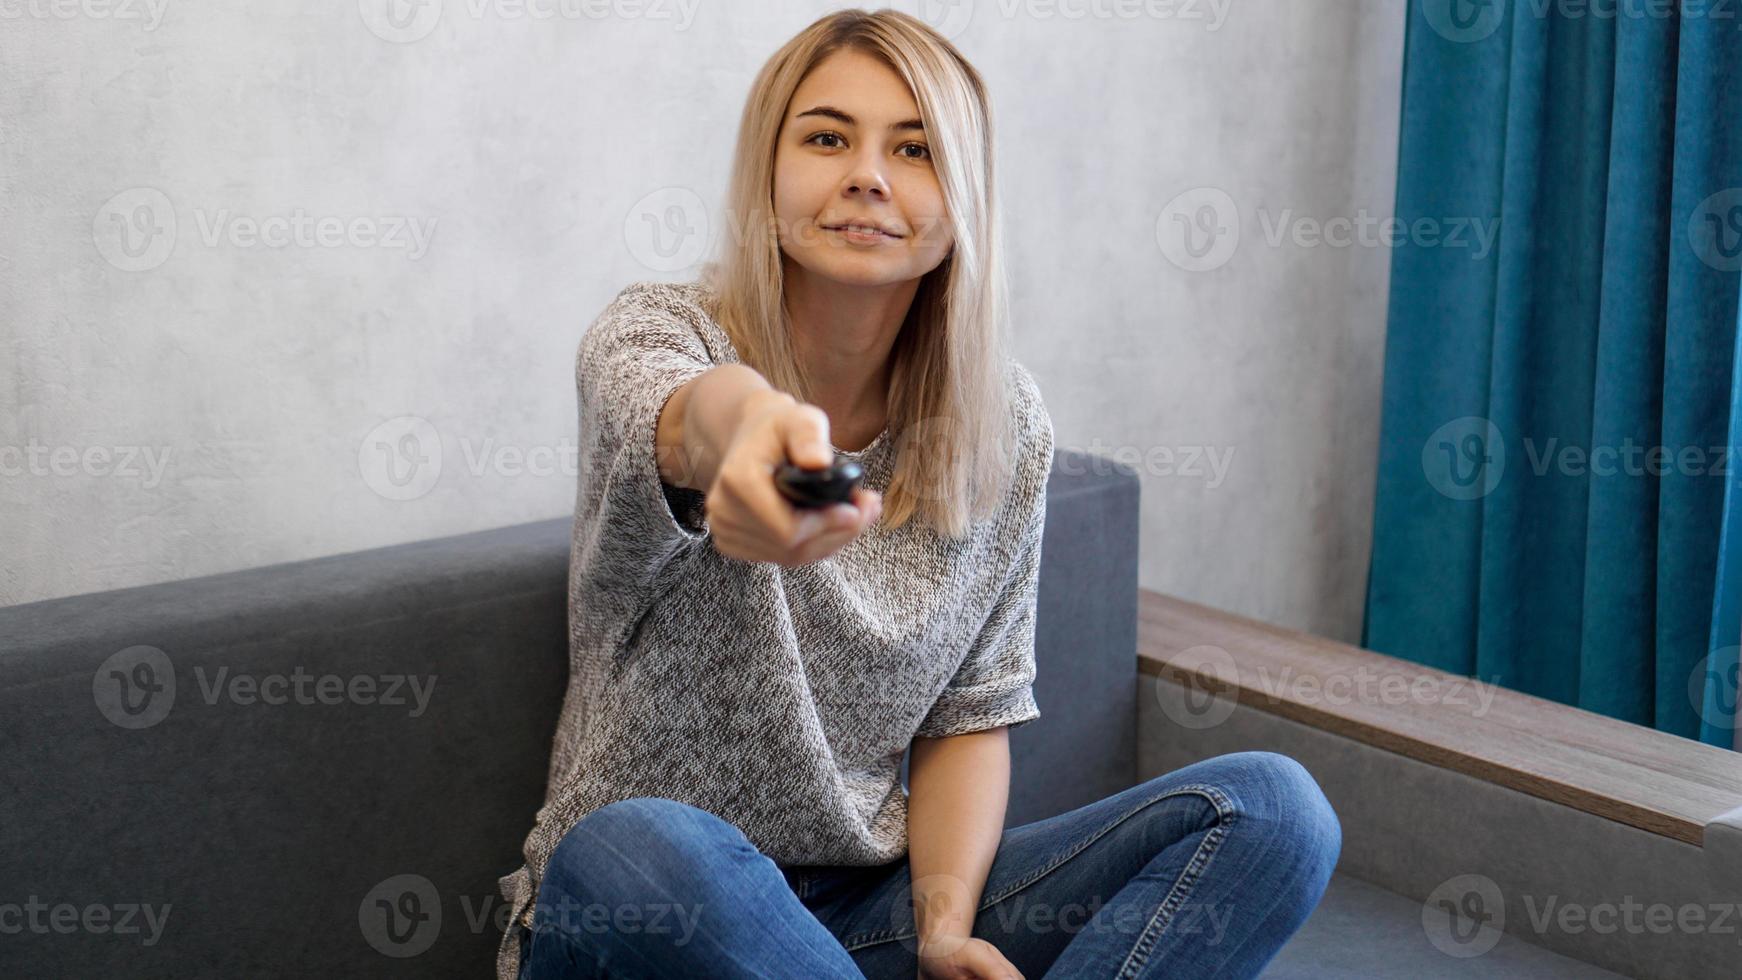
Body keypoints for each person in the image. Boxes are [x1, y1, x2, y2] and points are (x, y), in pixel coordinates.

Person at [498, 9, 1340, 979]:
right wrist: (745, 435)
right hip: (635, 913)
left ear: (962, 198)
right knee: (637, 841)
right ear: (765, 175)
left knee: (1274, 810)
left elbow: (967, 715)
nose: (867, 172)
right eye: (825, 136)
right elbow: (689, 416)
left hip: (858, 917)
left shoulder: (1002, 426)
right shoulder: (659, 332)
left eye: (916, 146)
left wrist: (943, 931)